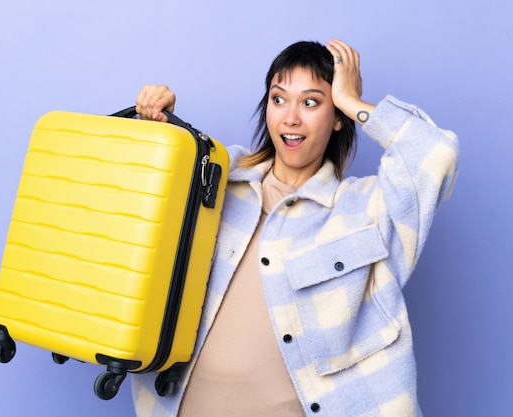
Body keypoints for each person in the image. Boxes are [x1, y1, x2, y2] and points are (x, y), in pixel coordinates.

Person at [130, 39, 459, 417]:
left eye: (311, 102)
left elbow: (436, 155)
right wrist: (155, 126)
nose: (290, 118)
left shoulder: (366, 209)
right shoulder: (215, 178)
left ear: (337, 118)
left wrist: (352, 101)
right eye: (279, 99)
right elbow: (133, 214)